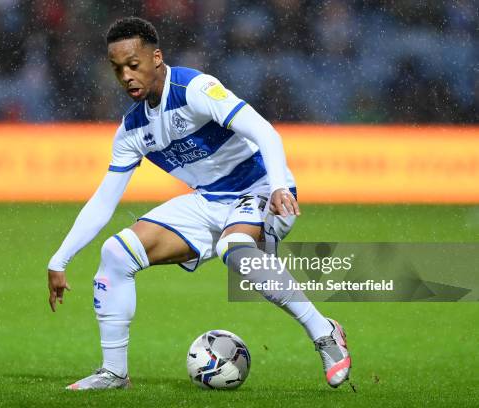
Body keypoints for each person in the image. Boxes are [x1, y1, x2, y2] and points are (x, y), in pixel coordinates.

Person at [47, 17, 351, 390]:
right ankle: (114, 372)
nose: (126, 76)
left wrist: (277, 186)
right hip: (208, 200)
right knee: (116, 253)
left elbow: (264, 132)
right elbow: (104, 200)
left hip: (259, 189)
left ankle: (324, 333)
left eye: (133, 64)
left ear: (156, 57)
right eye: (118, 69)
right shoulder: (131, 129)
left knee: (233, 248)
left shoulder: (194, 88)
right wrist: (59, 259)